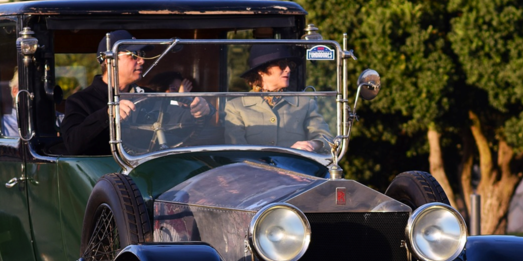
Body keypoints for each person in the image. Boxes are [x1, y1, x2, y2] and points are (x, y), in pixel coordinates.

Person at [60, 30, 209, 155]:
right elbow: (73, 144)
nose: (142, 60)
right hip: (101, 179)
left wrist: (199, 109)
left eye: (141, 53)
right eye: (133, 55)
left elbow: (178, 119)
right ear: (108, 60)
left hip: (147, 172)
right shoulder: (80, 101)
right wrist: (107, 115)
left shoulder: (148, 96)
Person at [224, 44, 332, 153]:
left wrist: (313, 144)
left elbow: (327, 139)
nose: (288, 69)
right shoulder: (235, 107)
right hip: (253, 170)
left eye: (290, 65)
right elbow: (236, 151)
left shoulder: (306, 103)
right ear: (260, 70)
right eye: (282, 65)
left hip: (294, 168)